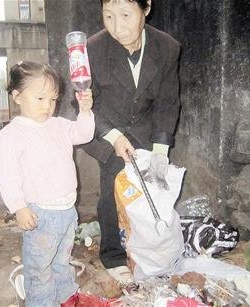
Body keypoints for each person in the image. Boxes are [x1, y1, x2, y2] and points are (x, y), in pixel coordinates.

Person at [84, 0, 181, 285]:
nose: (117, 27)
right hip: (108, 128)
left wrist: (160, 150)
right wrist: (113, 136)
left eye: (126, 15)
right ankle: (112, 254)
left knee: (149, 193)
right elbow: (85, 104)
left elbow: (167, 102)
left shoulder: (167, 47)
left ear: (146, 7)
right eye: (109, 16)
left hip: (147, 128)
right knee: (110, 189)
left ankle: (144, 248)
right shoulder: (92, 48)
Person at [0, 61, 94, 306]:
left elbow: (85, 134)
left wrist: (85, 111)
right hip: (40, 215)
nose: (47, 106)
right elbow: (8, 175)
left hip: (67, 212)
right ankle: (40, 302)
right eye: (39, 98)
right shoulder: (11, 134)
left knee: (62, 260)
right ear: (17, 96)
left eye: (52, 100)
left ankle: (65, 296)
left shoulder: (58, 125)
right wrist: (18, 206)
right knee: (39, 268)